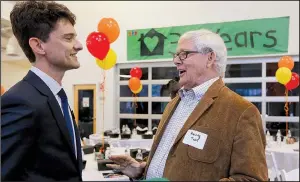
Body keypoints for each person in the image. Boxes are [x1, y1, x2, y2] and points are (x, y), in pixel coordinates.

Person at [107, 29, 268, 181]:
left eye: (184, 54)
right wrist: (141, 170)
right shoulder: (174, 104)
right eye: (176, 55)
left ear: (210, 58)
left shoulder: (241, 111)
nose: (176, 61)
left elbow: (251, 179)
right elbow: (173, 160)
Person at [1, 1, 83, 181]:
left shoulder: (56, 96)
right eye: (68, 38)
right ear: (38, 45)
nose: (79, 45)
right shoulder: (20, 101)